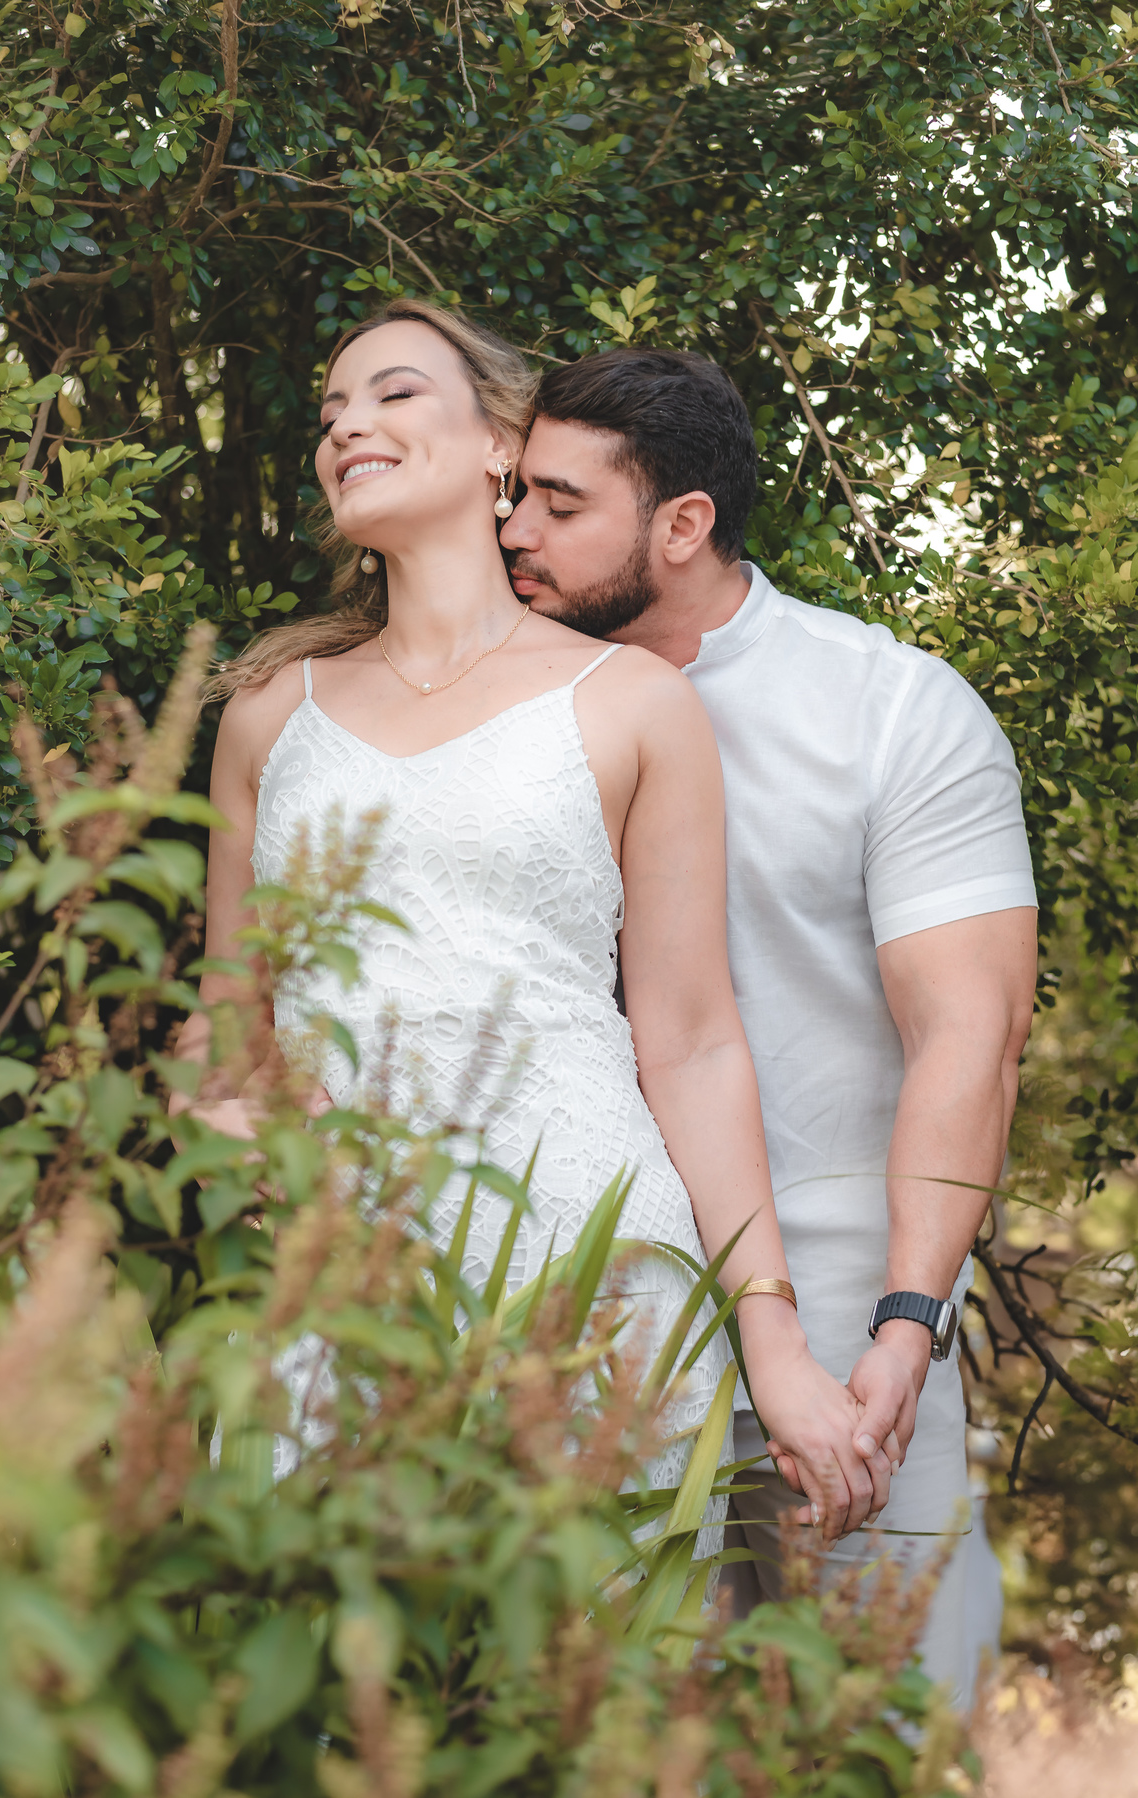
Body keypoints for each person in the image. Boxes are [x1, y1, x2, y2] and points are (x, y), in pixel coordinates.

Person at [174, 299, 894, 1541]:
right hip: (324, 1292)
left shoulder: (635, 704)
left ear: (503, 444)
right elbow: (225, 1029)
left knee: (591, 1709)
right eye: (331, 410)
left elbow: (692, 1039)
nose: (348, 425)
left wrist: (770, 1342)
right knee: (329, 1714)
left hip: (592, 1268)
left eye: (392, 394)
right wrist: (259, 1205)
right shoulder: (266, 715)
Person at [499, 346, 1038, 1704]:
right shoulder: (487, 720)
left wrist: (906, 1328)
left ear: (682, 525)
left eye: (560, 504)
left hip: (855, 1349)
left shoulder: (891, 711)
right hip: (572, 1331)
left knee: (886, 1737)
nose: (515, 529)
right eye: (515, 496)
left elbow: (968, 1035)